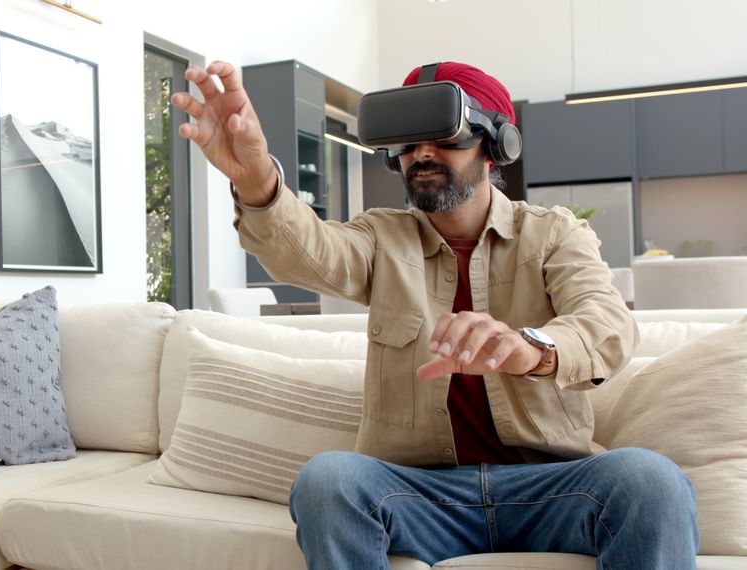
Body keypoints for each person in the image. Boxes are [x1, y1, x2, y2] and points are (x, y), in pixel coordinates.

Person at [170, 60, 699, 569]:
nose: (422, 152)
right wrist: (258, 181)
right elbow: (309, 250)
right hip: (418, 492)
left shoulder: (555, 234)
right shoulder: (381, 237)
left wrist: (530, 347)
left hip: (552, 486)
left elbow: (606, 324)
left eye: (444, 136)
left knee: (651, 480)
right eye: (407, 140)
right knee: (329, 479)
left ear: (495, 146)